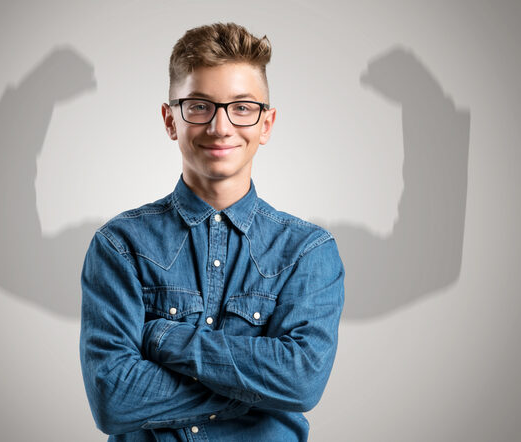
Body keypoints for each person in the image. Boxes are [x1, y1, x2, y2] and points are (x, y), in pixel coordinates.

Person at [80, 22, 345, 442]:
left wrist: (163, 336)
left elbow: (301, 382)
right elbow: (113, 399)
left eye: (242, 107)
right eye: (200, 106)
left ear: (266, 124)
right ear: (170, 120)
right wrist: (254, 392)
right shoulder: (120, 245)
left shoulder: (307, 251)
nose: (220, 127)